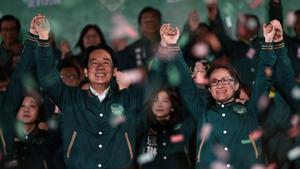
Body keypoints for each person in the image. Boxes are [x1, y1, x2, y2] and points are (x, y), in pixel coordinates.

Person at [32, 14, 158, 169]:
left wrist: (168, 47)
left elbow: (155, 83)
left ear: (114, 72)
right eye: (94, 63)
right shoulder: (70, 98)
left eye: (106, 62)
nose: (99, 66)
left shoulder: (128, 99)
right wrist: (44, 39)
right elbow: (47, 77)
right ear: (85, 71)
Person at [154, 21, 279, 169]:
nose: (220, 85)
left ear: (236, 85)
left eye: (225, 80)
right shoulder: (202, 112)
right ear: (210, 90)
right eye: (214, 82)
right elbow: (185, 84)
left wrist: (268, 43)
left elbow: (264, 79)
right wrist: (173, 46)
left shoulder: (250, 110)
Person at [0, 14, 38, 168]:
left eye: (12, 29)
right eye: (4, 30)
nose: (8, 33)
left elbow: (26, 77)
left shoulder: (25, 54)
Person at [137, 87, 195, 169]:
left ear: (172, 106)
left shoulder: (184, 127)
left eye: (165, 101)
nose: (159, 104)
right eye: (155, 100)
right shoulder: (143, 127)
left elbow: (193, 105)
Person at [10, 93, 65, 169]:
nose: (26, 110)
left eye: (32, 106)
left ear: (39, 113)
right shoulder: (6, 139)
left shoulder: (47, 140)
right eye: (22, 106)